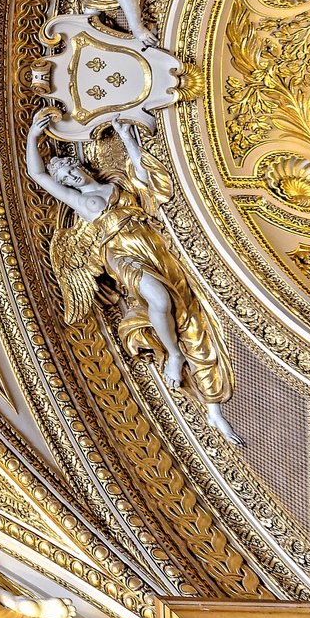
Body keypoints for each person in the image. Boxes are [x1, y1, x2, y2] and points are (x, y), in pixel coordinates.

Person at [24, 111, 238, 442]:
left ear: (81, 167)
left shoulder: (114, 185)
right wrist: (32, 137)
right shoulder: (80, 201)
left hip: (152, 246)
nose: (71, 176)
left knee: (187, 313)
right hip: (121, 255)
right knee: (158, 299)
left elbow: (144, 174)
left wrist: (126, 137)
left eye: (71, 168)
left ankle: (210, 395)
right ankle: (174, 353)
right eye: (65, 177)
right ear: (65, 185)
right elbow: (36, 173)